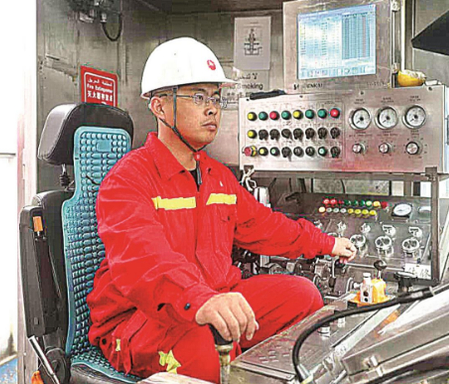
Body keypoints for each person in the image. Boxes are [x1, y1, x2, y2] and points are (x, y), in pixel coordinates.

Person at [87, 37, 357, 383]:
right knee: (207, 344)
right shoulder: (128, 179)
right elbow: (145, 260)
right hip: (141, 319)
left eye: (216, 98)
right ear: (159, 107)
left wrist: (325, 243)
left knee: (303, 296)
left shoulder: (217, 177)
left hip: (210, 298)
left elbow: (265, 226)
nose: (212, 109)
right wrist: (201, 300)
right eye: (198, 97)